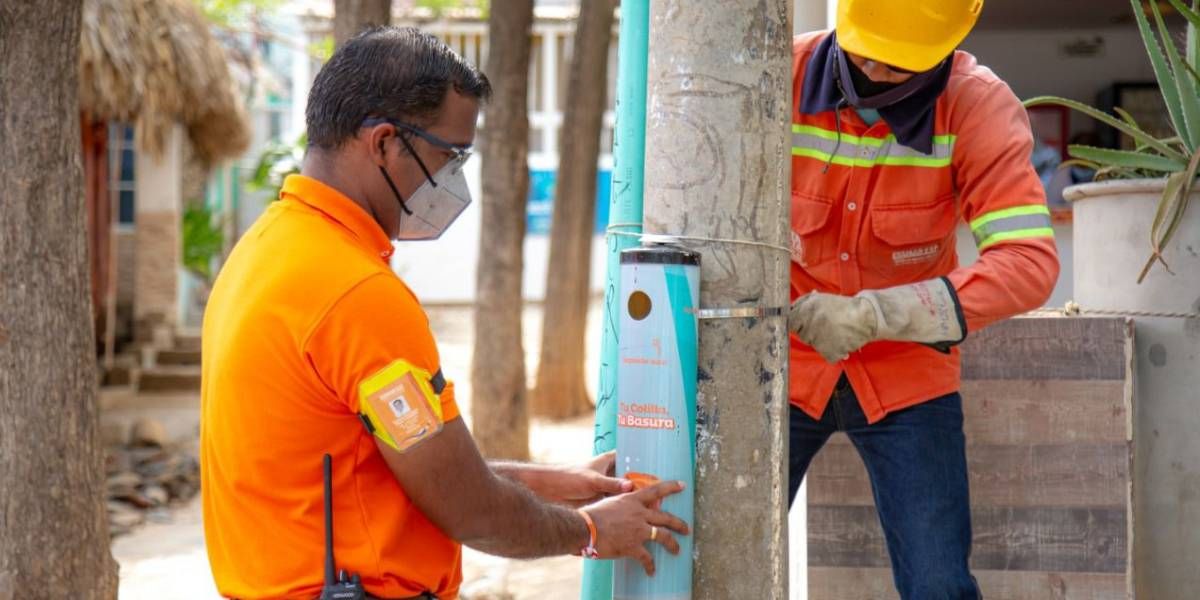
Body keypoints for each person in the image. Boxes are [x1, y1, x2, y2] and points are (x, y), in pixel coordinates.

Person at [200, 27, 688, 600]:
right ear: (383, 143)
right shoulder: (356, 294)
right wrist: (591, 531)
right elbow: (468, 508)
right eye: (447, 156)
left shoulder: (265, 251)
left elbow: (416, 473)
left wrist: (564, 486)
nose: (452, 180)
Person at [786, 1, 1059, 598]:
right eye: (864, 56)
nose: (874, 74)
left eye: (897, 67)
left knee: (939, 585)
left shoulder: (977, 105)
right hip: (780, 368)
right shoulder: (774, 79)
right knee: (707, 555)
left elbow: (1029, 263)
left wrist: (877, 315)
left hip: (905, 375)